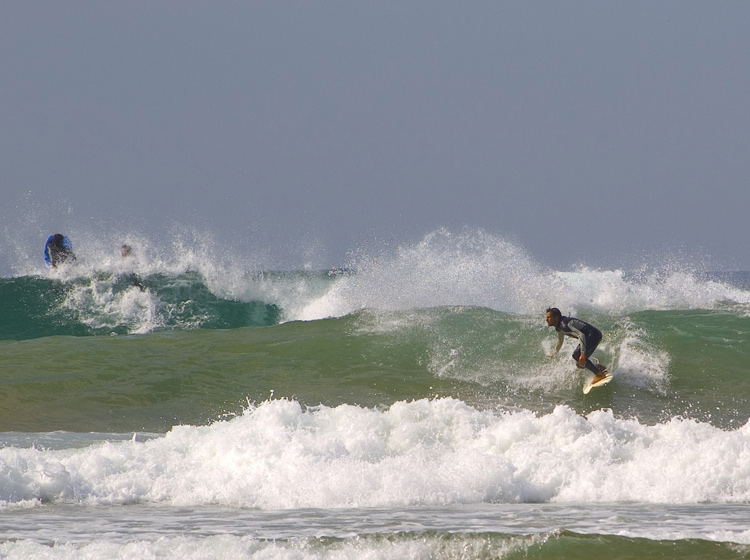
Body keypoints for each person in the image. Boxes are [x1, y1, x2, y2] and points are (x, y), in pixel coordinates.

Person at [545, 307, 608, 383]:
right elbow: (560, 341)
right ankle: (599, 368)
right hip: (590, 336)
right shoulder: (559, 327)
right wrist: (554, 353)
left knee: (577, 355)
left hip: (593, 335)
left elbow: (581, 335)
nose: (546, 319)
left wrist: (582, 353)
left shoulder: (565, 325)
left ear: (556, 317)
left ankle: (600, 375)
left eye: (549, 317)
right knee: (580, 363)